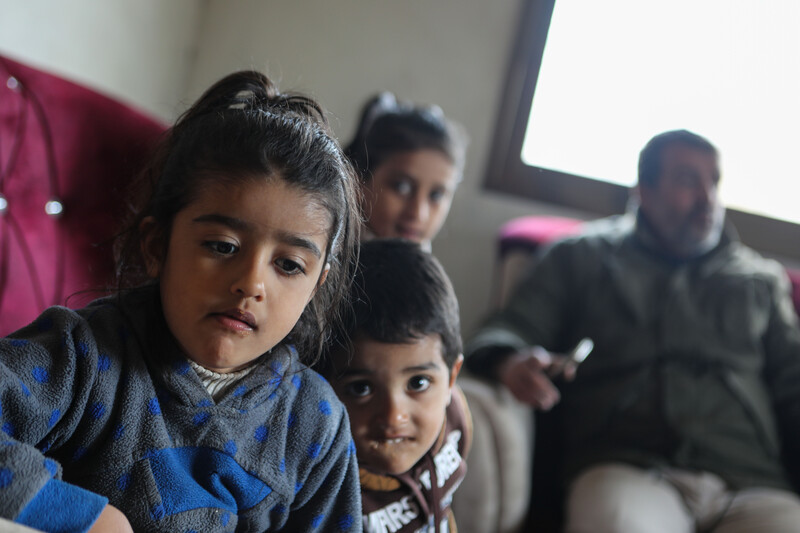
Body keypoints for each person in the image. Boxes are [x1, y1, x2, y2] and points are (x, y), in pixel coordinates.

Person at [0, 70, 362, 532]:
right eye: (223, 246)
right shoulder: (82, 356)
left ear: (317, 284)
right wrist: (89, 519)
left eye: (289, 265)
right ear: (157, 246)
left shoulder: (316, 425)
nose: (251, 283)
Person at [465, 129, 800, 532]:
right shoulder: (579, 258)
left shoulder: (760, 281)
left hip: (750, 481)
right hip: (628, 468)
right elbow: (508, 330)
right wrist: (509, 361)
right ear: (644, 189)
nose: (707, 198)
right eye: (686, 180)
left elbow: (793, 380)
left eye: (713, 182)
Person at [321, 239, 471, 532]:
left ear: (451, 378)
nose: (393, 416)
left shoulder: (454, 419)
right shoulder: (328, 486)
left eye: (417, 383)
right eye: (361, 388)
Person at [345, 92, 468, 250]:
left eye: (436, 195)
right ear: (357, 182)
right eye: (402, 187)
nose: (418, 213)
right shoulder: (330, 258)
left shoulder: (419, 258)